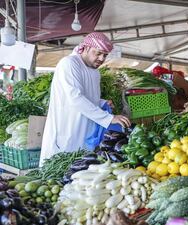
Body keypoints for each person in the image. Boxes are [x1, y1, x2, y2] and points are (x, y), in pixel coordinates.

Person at [39, 32, 130, 166]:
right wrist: (109, 118)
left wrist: (102, 102)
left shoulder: (95, 72)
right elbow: (75, 98)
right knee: (60, 169)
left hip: (85, 131)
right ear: (86, 48)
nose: (101, 58)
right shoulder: (69, 64)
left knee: (80, 171)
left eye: (105, 55)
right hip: (67, 128)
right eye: (98, 53)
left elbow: (89, 98)